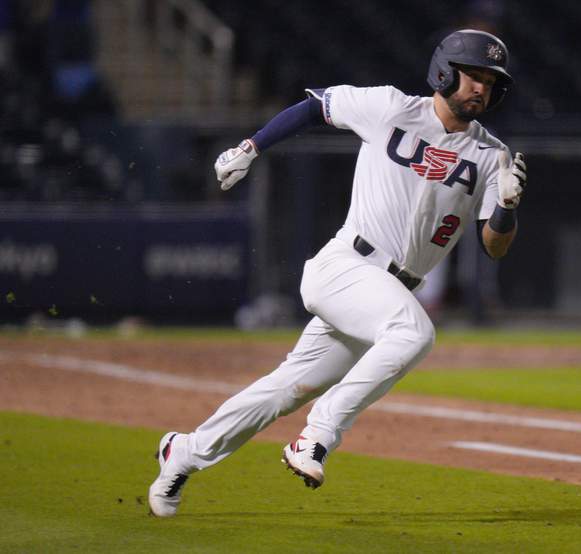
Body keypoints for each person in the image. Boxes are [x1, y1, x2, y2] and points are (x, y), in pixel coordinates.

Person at [148, 29, 527, 517]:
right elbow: (315, 106)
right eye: (474, 75)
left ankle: (184, 452)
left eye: (491, 82)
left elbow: (494, 247)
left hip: (384, 294)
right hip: (346, 265)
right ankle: (318, 435)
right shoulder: (391, 108)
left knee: (286, 389)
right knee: (414, 333)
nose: (482, 88)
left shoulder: (492, 155)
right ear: (443, 72)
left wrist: (509, 208)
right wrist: (251, 147)